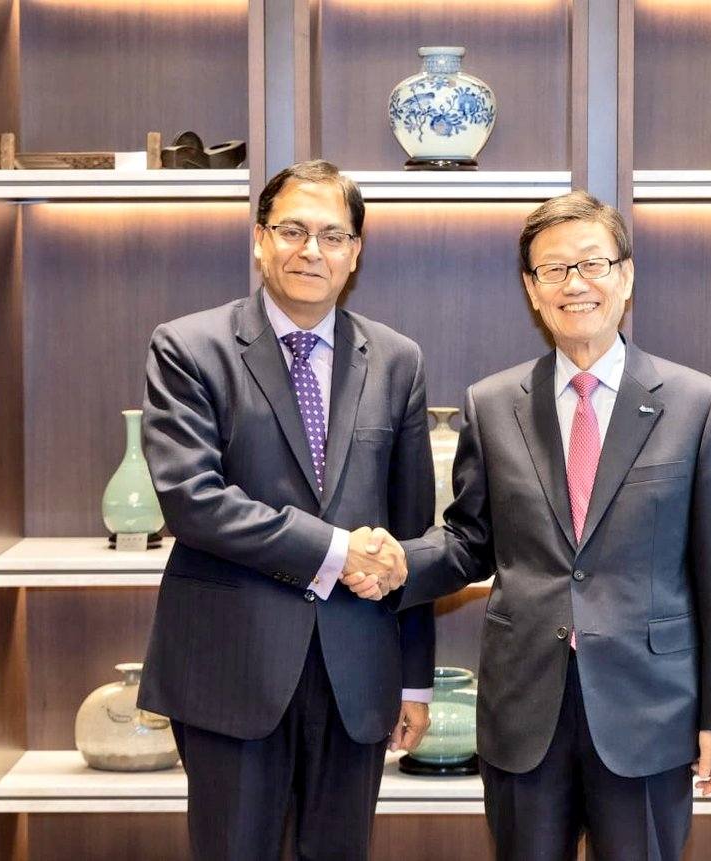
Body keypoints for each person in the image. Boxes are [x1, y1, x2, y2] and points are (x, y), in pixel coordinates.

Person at [348, 190, 711, 860]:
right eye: (553, 270)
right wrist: (397, 563)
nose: (575, 284)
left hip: (649, 709)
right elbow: (471, 542)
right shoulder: (491, 403)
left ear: (625, 275)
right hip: (524, 708)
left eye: (592, 263)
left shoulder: (697, 404)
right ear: (533, 291)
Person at [137, 160, 434, 861]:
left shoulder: (397, 360)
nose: (311, 250)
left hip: (357, 672)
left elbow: (411, 534)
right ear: (259, 239)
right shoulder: (188, 347)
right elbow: (192, 500)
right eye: (292, 230)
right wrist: (335, 550)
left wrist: (415, 678)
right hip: (231, 668)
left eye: (332, 235)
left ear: (355, 252)